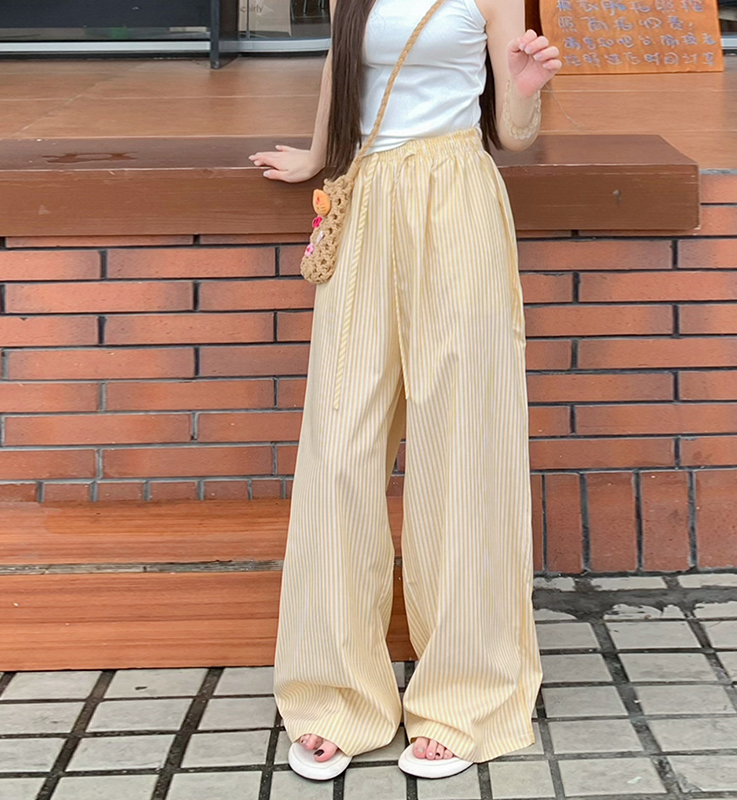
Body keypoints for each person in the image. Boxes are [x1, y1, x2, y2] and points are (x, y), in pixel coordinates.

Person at [249, 0, 561, 782]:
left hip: (456, 199)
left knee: (462, 442)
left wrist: (525, 91)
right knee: (340, 444)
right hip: (367, 204)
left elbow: (514, 133)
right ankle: (335, 697)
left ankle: (465, 697)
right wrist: (318, 155)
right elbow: (340, 69)